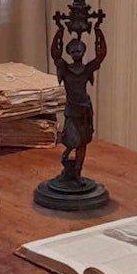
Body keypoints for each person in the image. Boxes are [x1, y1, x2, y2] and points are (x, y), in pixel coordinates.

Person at [51, 12, 107, 180]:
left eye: (79, 49)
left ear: (84, 51)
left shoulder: (87, 69)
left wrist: (98, 30)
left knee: (83, 142)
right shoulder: (65, 69)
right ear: (68, 52)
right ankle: (68, 163)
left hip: (84, 111)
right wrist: (59, 31)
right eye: (73, 50)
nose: (76, 52)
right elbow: (55, 53)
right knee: (68, 139)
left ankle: (76, 172)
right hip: (71, 110)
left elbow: (101, 55)